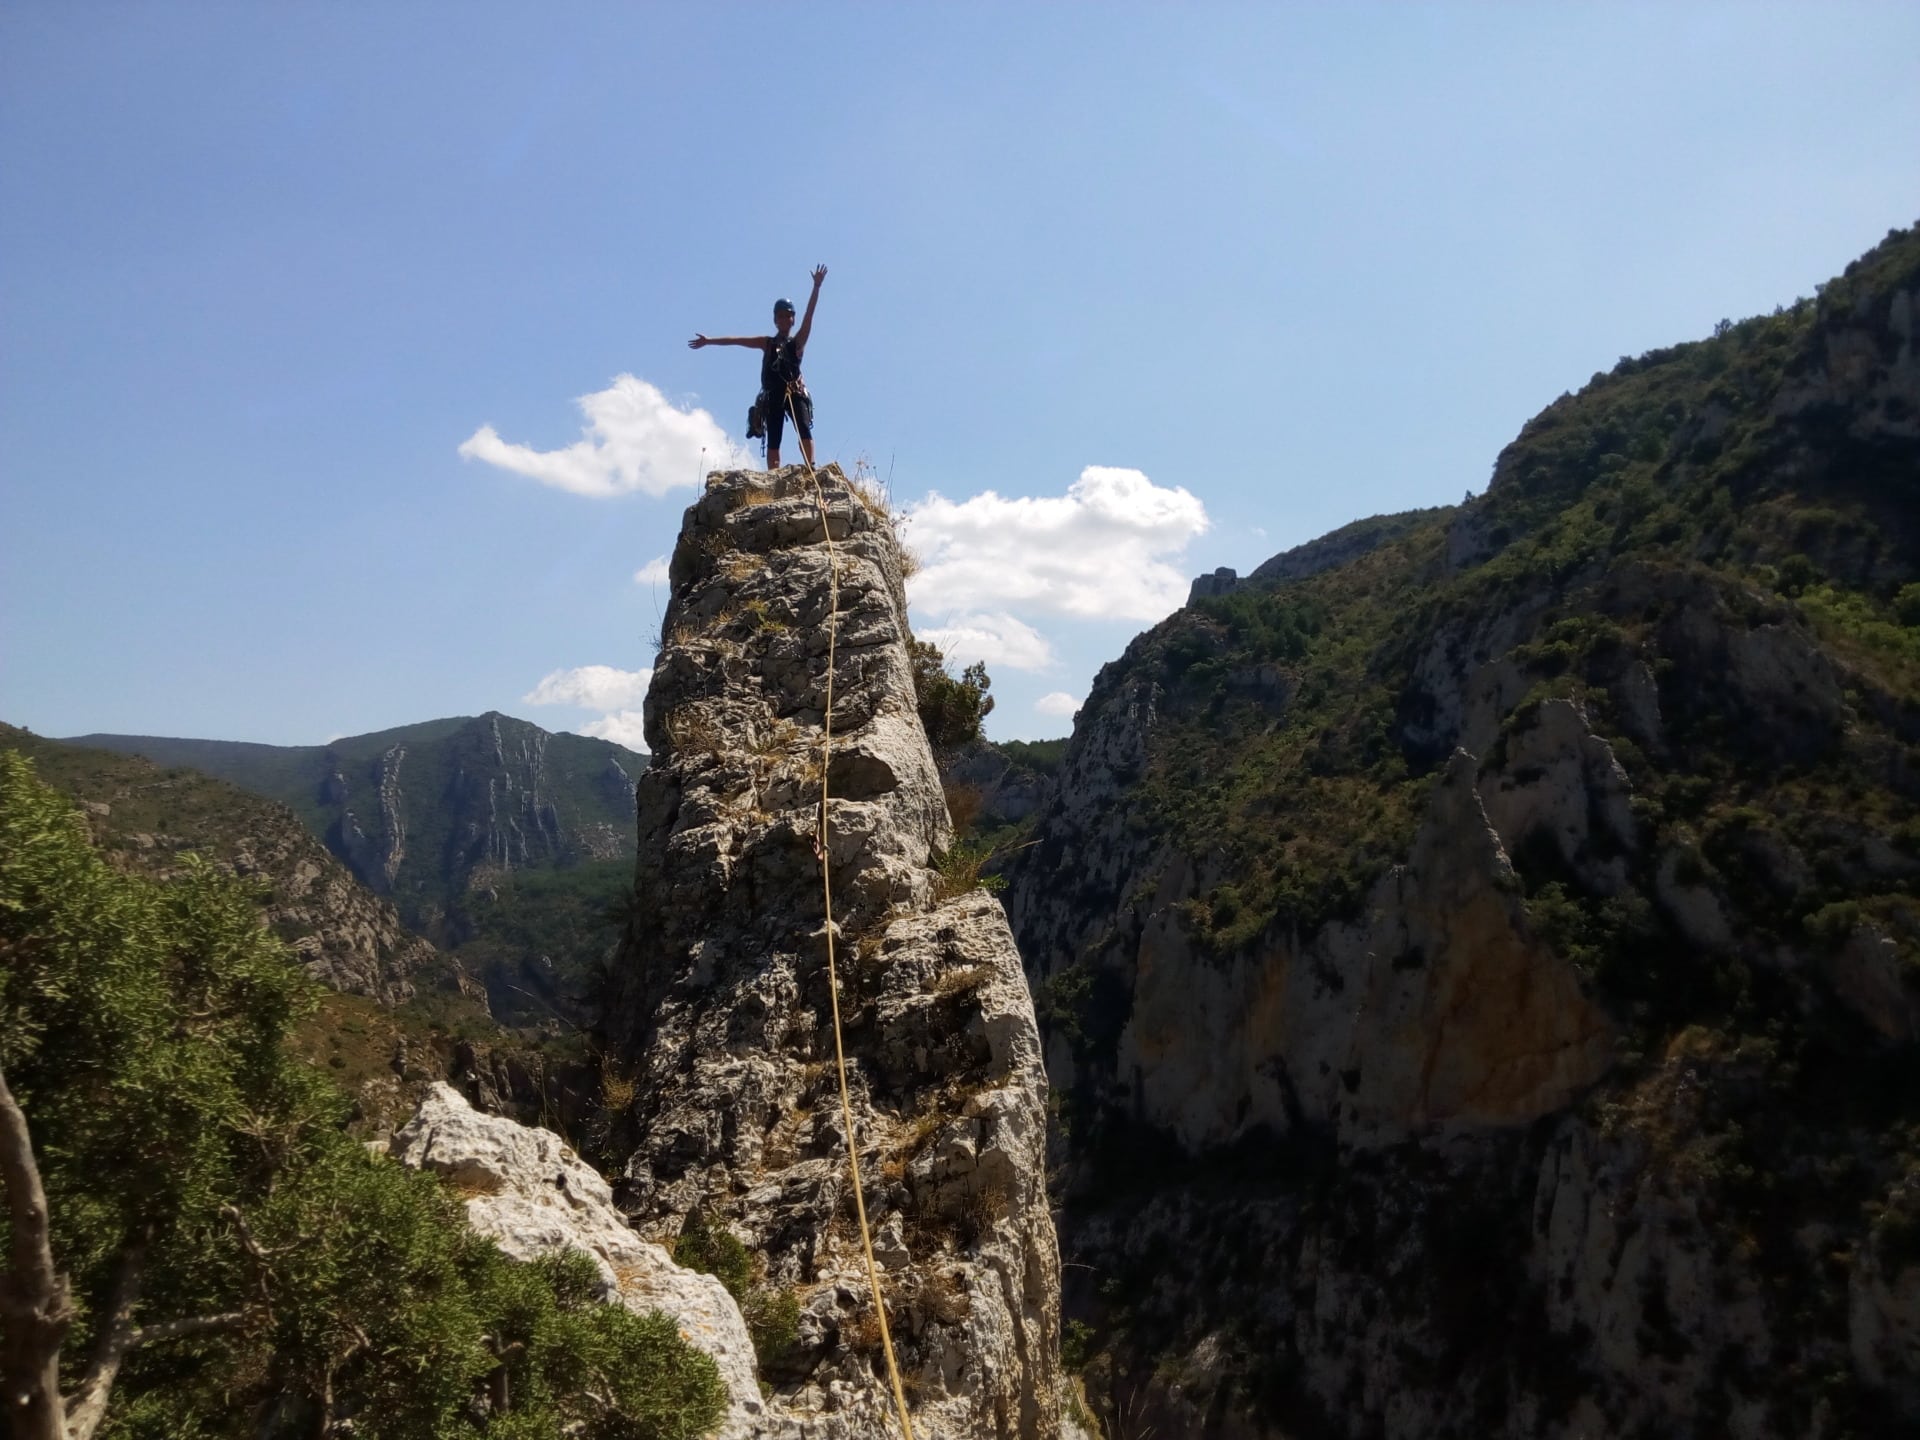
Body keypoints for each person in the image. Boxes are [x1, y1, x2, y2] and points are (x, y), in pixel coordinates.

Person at [688, 265, 827, 470]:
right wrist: (709, 341)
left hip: (794, 391)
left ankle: (810, 466)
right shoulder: (767, 342)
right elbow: (737, 340)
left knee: (804, 428)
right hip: (772, 395)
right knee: (774, 437)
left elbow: (809, 316)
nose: (784, 319)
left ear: (792, 319)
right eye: (780, 316)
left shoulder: (797, 343)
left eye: (787, 315)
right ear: (775, 319)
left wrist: (816, 287)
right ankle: (774, 475)